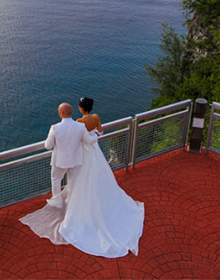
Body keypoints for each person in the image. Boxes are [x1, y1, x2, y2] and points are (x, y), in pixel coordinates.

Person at [21, 98, 145, 258]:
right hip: (79, 158)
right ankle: (78, 199)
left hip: (63, 160)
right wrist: (95, 139)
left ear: (63, 113)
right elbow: (93, 136)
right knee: (81, 180)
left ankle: (57, 200)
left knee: (58, 179)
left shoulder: (59, 127)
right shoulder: (83, 123)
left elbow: (48, 146)